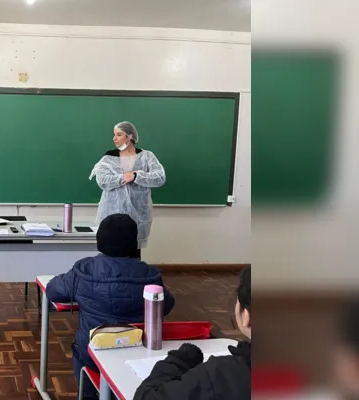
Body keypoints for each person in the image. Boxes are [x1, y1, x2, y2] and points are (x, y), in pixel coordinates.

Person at [46, 214, 175, 400]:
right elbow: (167, 305)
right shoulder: (149, 273)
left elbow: (53, 291)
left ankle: (87, 395)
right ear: (134, 244)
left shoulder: (84, 269)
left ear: (100, 240)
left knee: (82, 354)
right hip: (138, 355)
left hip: (93, 354)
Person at [134, 266, 251, 400]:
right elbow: (168, 303)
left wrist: (180, 360)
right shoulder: (151, 273)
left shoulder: (221, 375)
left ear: (247, 316)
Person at [89, 121, 166, 259]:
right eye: (114, 135)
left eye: (119, 135)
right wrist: (124, 177)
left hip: (138, 215)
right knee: (110, 253)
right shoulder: (108, 158)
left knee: (133, 253)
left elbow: (159, 177)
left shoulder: (147, 157)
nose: (114, 138)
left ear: (129, 137)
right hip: (111, 215)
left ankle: (133, 279)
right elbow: (103, 181)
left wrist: (136, 175)